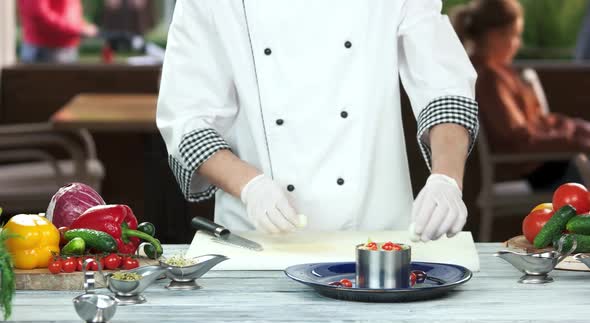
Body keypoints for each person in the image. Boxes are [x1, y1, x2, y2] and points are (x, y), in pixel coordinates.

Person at [157, 0, 479, 242]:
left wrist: (446, 180)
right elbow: (187, 122)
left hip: (376, 239)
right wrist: (251, 186)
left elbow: (445, 90)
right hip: (259, 239)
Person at [451, 0, 590, 190]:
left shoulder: (496, 73)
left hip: (533, 162)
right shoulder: (489, 79)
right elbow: (521, 139)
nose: (518, 43)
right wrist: (574, 140)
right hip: (529, 168)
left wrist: (576, 131)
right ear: (495, 35)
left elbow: (537, 123)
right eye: (514, 35)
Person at [18, 0, 98, 64]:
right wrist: (77, 29)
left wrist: (82, 26)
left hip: (64, 50)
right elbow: (39, 16)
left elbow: (68, 11)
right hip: (46, 51)